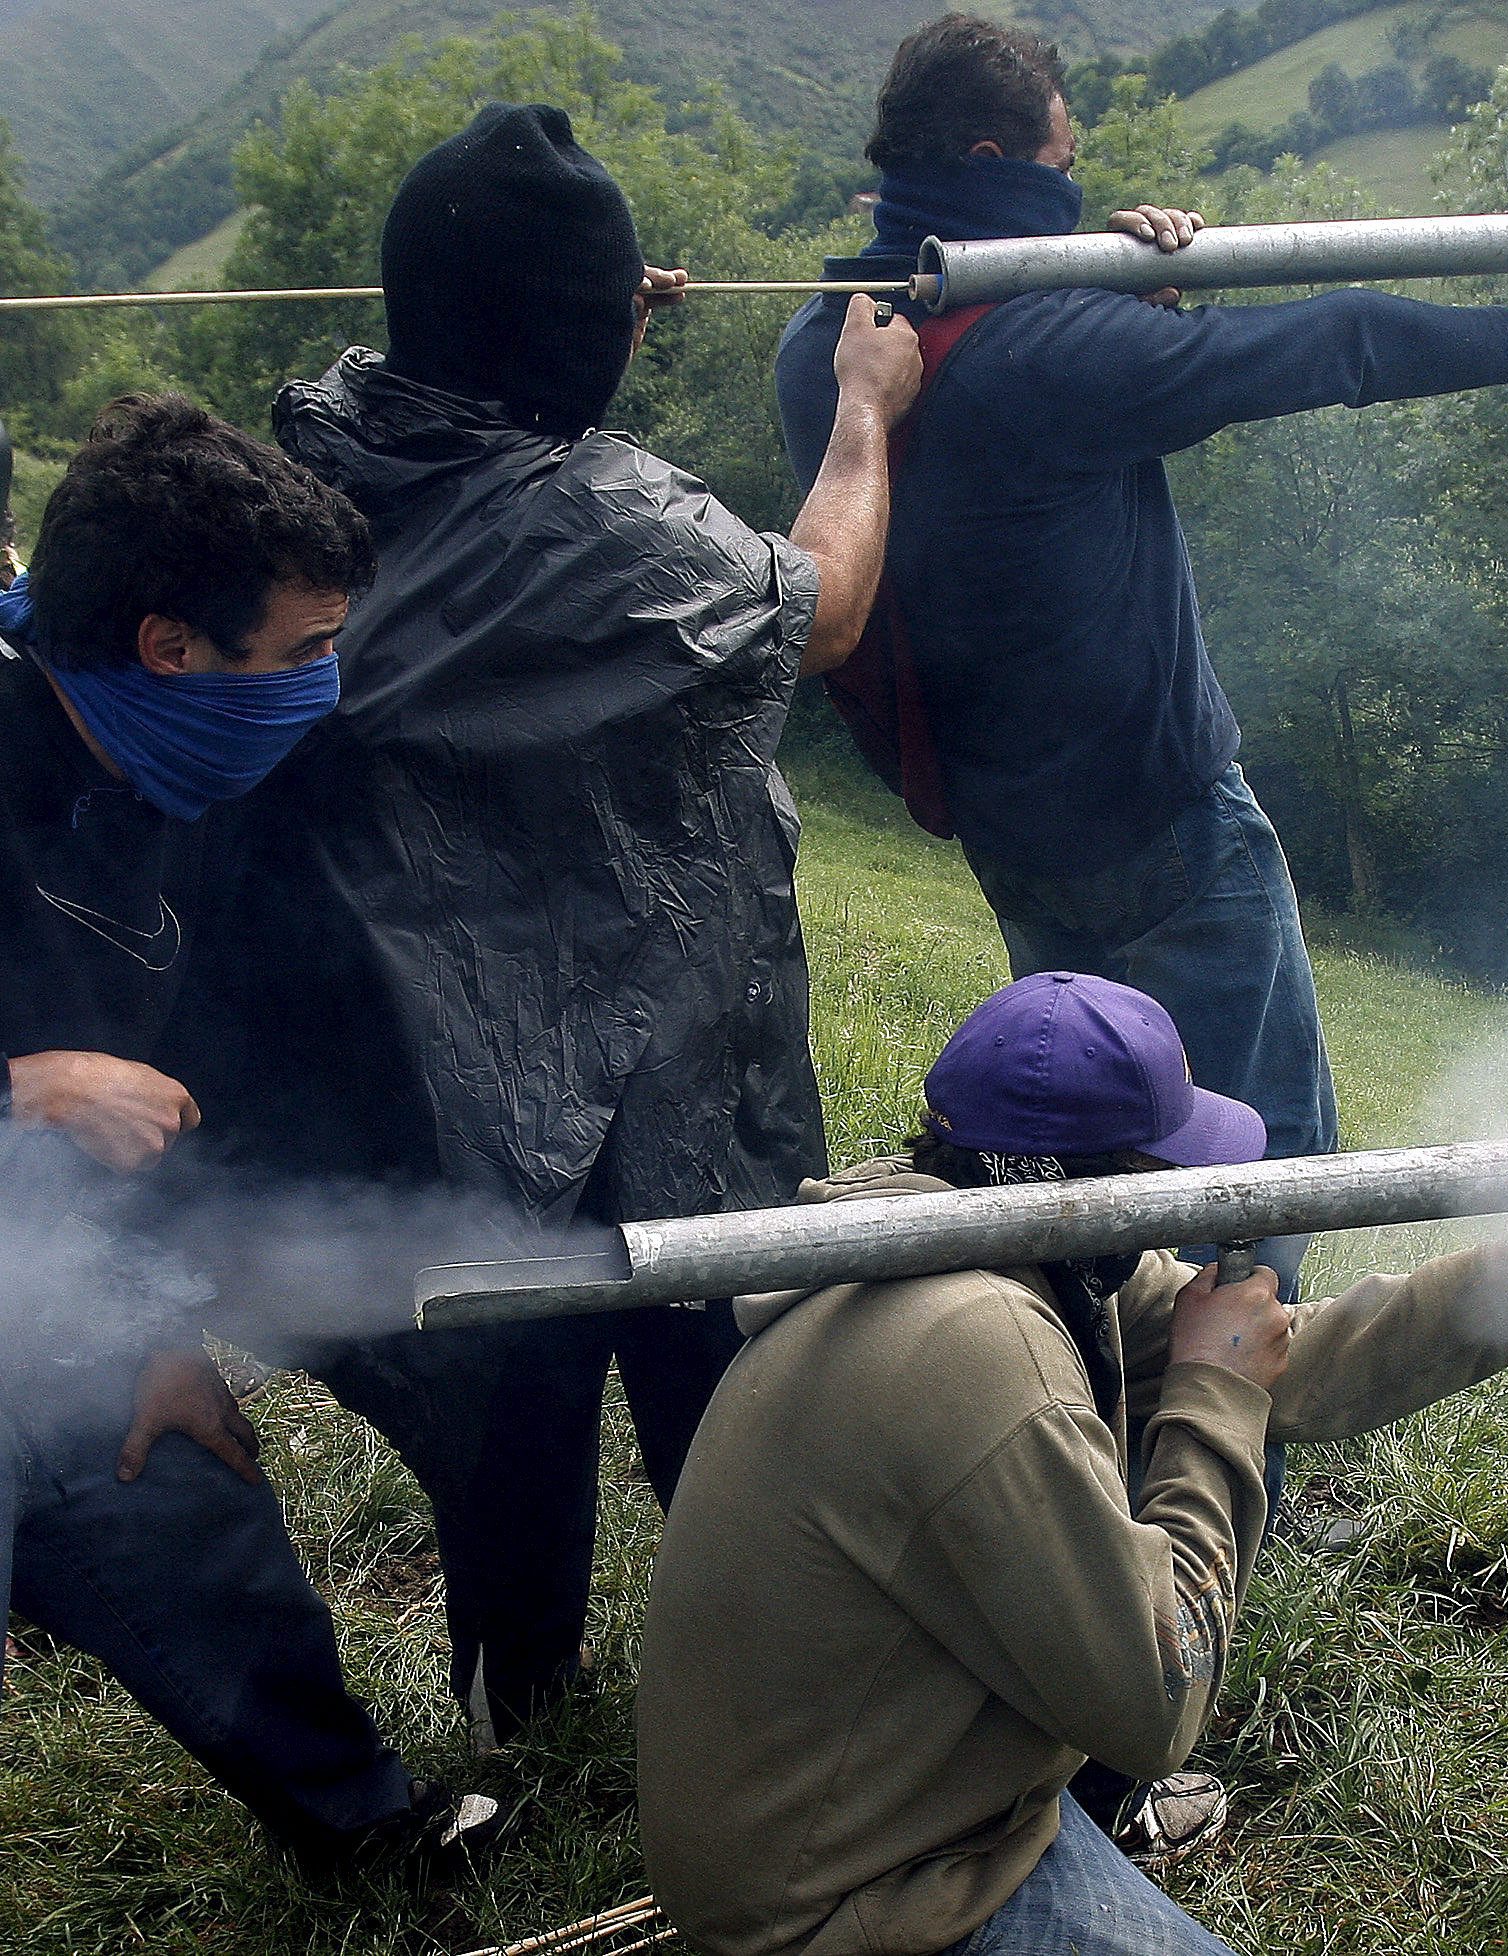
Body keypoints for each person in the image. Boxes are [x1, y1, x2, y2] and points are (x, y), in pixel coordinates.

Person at [182, 101, 925, 1750]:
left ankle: (516, 1696)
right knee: (706, 1355)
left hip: (429, 1061)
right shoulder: (610, 526)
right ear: (575, 344)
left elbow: (475, 392)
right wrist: (864, 418)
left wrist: (575, 326)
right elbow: (821, 602)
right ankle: (777, 1692)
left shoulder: (310, 453)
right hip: (640, 1036)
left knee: (503, 1370)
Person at [772, 14, 1508, 1305]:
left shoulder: (831, 349)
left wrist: (1102, 283)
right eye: (1059, 160)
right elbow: (1325, 343)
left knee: (1088, 1155)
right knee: (1258, 1177)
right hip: (1161, 823)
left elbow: (1039, 414)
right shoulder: (1054, 348)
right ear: (999, 155)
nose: (1074, 175)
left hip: (1001, 815)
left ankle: (1081, 1423)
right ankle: (1213, 1478)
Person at [633, 970, 1508, 1956]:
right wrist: (1215, 1392)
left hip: (940, 1812)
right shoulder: (971, 1347)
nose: (1197, 1201)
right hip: (855, 1904)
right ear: (1084, 1181)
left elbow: (1301, 1368)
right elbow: (1157, 1704)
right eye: (1165, 1169)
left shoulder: (985, 1239)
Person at [0, 393, 493, 1879]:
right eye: (301, 653)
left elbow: (148, 1119)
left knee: (194, 1526)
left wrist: (145, 1317)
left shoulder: (175, 781)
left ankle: (365, 1833)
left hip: (32, 1297)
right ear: (167, 646)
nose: (322, 689)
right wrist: (18, 1087)